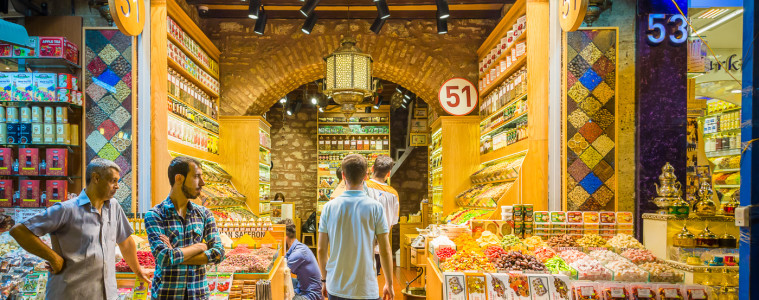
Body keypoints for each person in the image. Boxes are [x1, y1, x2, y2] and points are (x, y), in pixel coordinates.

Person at [9, 158, 151, 299]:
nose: (117, 186)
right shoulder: (66, 209)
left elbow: (125, 242)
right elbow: (19, 231)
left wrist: (138, 271)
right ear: (96, 178)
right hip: (72, 294)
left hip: (107, 294)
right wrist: (54, 258)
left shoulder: (114, 207)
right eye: (113, 181)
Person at [145, 156, 225, 299]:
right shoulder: (155, 215)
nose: (202, 183)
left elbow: (218, 253)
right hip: (167, 295)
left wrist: (174, 255)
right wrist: (200, 247)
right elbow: (164, 258)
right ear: (179, 178)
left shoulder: (204, 214)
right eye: (196, 177)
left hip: (199, 294)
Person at [318, 154, 394, 300]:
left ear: (343, 175)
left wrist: (324, 280)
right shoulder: (376, 208)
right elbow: (385, 250)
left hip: (336, 286)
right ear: (366, 176)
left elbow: (321, 250)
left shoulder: (328, 207)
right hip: (365, 288)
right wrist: (389, 283)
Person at [365, 156, 400, 276]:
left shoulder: (363, 187)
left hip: (363, 245)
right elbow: (391, 223)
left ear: (372, 168)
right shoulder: (394, 194)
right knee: (374, 278)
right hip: (381, 246)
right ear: (388, 173)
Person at [278, 219, 322, 300]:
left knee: (278, 284)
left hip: (311, 295)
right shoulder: (298, 246)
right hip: (303, 287)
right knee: (287, 282)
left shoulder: (299, 253)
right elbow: (285, 258)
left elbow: (280, 272)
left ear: (285, 238)